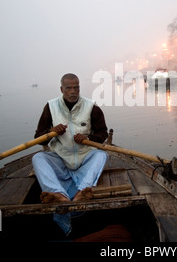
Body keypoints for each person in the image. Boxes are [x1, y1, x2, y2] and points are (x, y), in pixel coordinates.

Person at [32, 73, 109, 234]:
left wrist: (88, 138)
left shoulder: (91, 106)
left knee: (101, 155)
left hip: (84, 158)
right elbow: (38, 138)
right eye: (69, 88)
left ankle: (82, 191)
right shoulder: (50, 107)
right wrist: (51, 132)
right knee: (38, 158)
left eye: (76, 87)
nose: (73, 91)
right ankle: (57, 194)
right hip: (60, 159)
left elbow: (103, 134)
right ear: (62, 89)